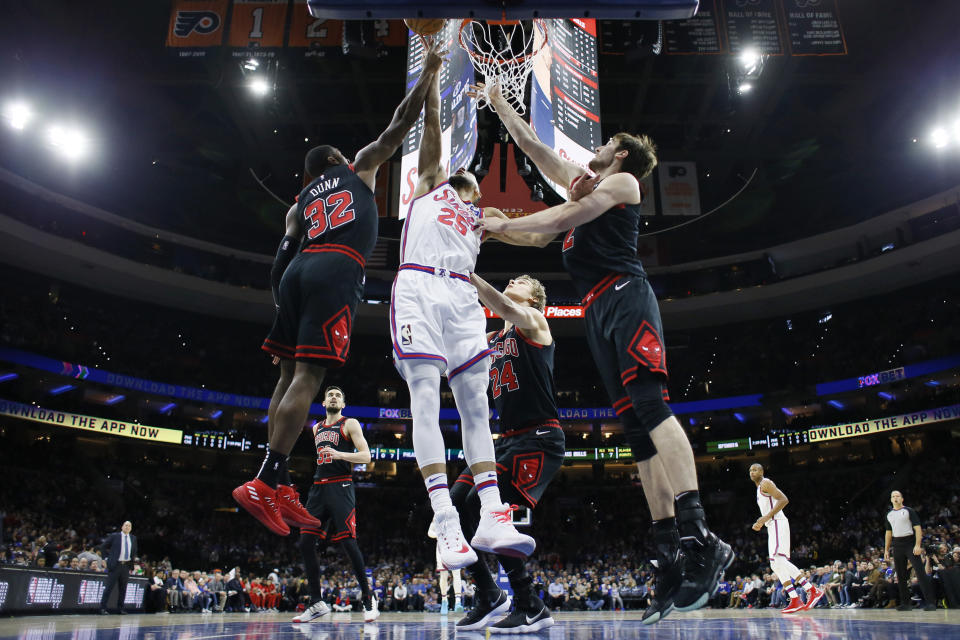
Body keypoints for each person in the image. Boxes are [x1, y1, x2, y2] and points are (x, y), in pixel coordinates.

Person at [474, 80, 733, 624]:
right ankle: (668, 555)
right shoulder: (585, 187)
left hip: (625, 294)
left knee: (651, 405)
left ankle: (700, 536)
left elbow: (560, 220)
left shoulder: (622, 183)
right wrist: (500, 106)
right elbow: (536, 154)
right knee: (636, 434)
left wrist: (498, 222)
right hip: (596, 312)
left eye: (603, 143)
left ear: (618, 152)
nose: (583, 155)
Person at [233, 39, 448, 538]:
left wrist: (282, 304)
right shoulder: (359, 169)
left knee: (286, 375)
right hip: (336, 270)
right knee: (310, 376)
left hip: (295, 275)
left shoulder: (299, 203)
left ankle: (280, 478)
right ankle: (266, 480)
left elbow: (279, 260)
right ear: (336, 157)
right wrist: (429, 74)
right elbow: (399, 123)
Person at [390, 70, 554, 570]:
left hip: (461, 296)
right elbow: (433, 129)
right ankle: (445, 520)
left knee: (476, 409)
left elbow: (536, 238)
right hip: (419, 285)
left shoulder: (479, 222)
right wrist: (435, 79)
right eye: (468, 180)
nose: (471, 184)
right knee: (423, 395)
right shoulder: (427, 189)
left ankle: (490, 514)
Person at [452, 274, 563, 633]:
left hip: (539, 437)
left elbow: (502, 305)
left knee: (478, 505)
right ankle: (487, 592)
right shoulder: (491, 340)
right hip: (504, 441)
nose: (514, 279)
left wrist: (467, 272)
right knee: (454, 501)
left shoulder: (534, 322)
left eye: (523, 281)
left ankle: (529, 603)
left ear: (534, 299)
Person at [293, 386, 379, 623]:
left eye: (338, 395)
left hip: (341, 486)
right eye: (329, 395)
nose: (333, 397)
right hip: (318, 487)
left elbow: (366, 456)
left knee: (348, 543)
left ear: (343, 404)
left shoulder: (350, 423)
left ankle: (369, 599)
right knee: (305, 541)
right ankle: (316, 602)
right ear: (323, 403)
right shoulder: (316, 428)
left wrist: (341, 455)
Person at [749, 464, 824, 613]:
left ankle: (812, 590)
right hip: (772, 525)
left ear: (762, 472)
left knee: (780, 561)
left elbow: (784, 499)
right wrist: (761, 522)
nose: (752, 472)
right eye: (750, 470)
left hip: (777, 522)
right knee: (775, 565)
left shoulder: (766, 483)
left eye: (755, 469)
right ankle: (795, 599)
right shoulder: (759, 488)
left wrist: (766, 517)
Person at [884, 489, 937, 611]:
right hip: (897, 544)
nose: (895, 498)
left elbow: (918, 528)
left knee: (920, 572)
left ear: (902, 499)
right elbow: (888, 533)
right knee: (901, 574)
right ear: (891, 499)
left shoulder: (909, 511)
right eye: (893, 496)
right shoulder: (889, 514)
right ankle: (906, 603)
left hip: (910, 542)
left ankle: (930, 602)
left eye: (897, 496)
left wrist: (917, 545)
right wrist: (886, 549)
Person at [99, 520, 137, 615]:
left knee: (123, 589)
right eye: (126, 525)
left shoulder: (133, 538)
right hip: (115, 565)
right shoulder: (115, 536)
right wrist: (105, 558)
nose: (127, 527)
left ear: (131, 528)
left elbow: (134, 552)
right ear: (122, 527)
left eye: (129, 526)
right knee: (109, 587)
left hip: (126, 566)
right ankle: (103, 608)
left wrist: (133, 565)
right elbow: (103, 546)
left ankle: (120, 609)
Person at [427, 521, 463, 614]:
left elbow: (461, 531)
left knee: (456, 573)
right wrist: (438, 535)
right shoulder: (438, 515)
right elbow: (430, 532)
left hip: (455, 546)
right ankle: (444, 601)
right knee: (443, 575)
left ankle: (458, 602)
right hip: (442, 548)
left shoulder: (455, 513)